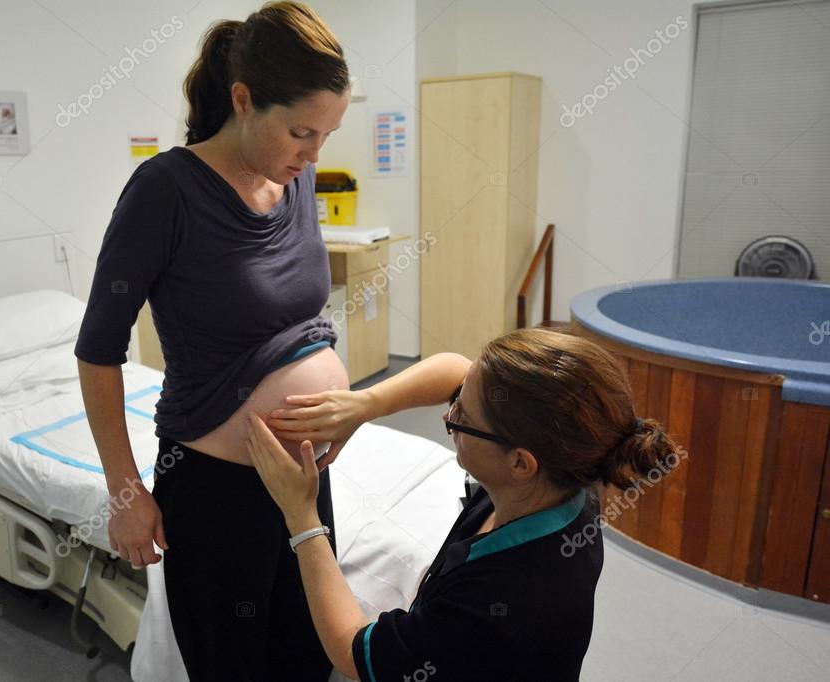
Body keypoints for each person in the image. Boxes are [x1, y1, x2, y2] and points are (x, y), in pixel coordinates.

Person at [74, 2, 351, 680]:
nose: (314, 154)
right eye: (300, 132)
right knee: (231, 664)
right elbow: (98, 349)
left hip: (307, 479)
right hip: (216, 489)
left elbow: (289, 312)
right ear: (242, 99)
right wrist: (124, 491)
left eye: (324, 135)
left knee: (308, 651)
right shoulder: (165, 190)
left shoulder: (296, 177)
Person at [246, 327, 682, 680]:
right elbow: (456, 370)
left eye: (463, 418)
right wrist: (365, 404)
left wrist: (301, 516)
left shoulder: (497, 606)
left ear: (520, 463)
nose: (447, 416)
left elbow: (353, 653)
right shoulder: (571, 478)